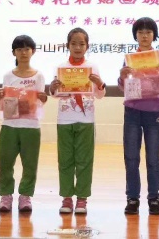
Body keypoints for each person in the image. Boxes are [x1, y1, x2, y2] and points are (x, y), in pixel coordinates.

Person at [49, 28, 106, 215]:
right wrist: (53, 87)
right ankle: (66, 197)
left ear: (87, 46)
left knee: (84, 160)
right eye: (74, 43)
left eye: (81, 44)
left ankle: (82, 198)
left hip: (86, 120)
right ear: (68, 45)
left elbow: (100, 95)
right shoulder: (61, 67)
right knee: (65, 160)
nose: (78, 47)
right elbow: (56, 94)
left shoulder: (92, 67)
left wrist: (99, 83)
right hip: (64, 119)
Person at [118, 17, 159, 215]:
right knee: (131, 157)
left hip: (153, 111)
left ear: (154, 35)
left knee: (153, 158)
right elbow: (124, 87)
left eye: (148, 32)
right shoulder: (129, 59)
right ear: (135, 35)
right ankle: (132, 198)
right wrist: (122, 77)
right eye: (140, 32)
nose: (144, 35)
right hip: (132, 110)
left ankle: (154, 198)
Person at [0, 35, 47, 213]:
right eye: (19, 49)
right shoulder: (8, 76)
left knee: (30, 164)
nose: (23, 53)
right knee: (5, 162)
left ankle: (25, 196)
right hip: (9, 125)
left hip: (31, 126)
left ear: (33, 51)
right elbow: (4, 99)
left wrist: (43, 98)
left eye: (27, 49)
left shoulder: (39, 76)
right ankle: (6, 195)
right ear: (13, 53)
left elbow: (40, 100)